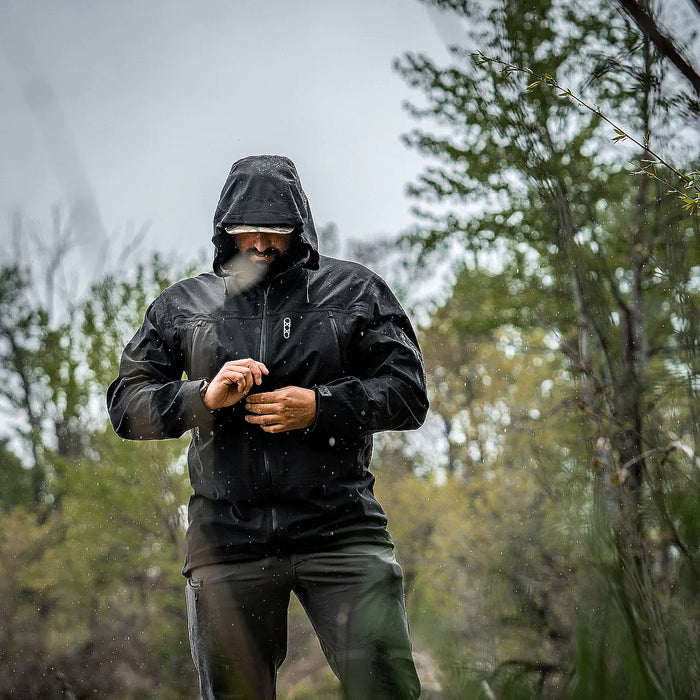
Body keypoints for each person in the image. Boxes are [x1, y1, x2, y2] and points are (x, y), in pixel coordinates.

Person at [107, 155, 429, 699]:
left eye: (275, 231)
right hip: (227, 538)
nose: (260, 244)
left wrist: (321, 406)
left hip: (340, 527)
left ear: (299, 228)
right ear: (225, 230)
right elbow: (126, 404)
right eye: (247, 231)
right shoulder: (184, 306)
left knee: (387, 689)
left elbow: (408, 394)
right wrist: (203, 397)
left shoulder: (354, 292)